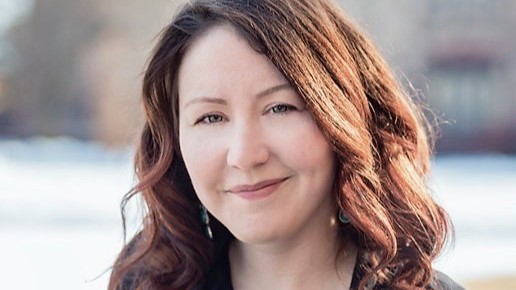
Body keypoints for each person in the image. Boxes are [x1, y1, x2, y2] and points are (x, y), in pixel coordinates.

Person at [108, 0, 465, 289]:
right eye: (211, 117)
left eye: (280, 108)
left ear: (344, 120)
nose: (245, 155)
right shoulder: (147, 282)